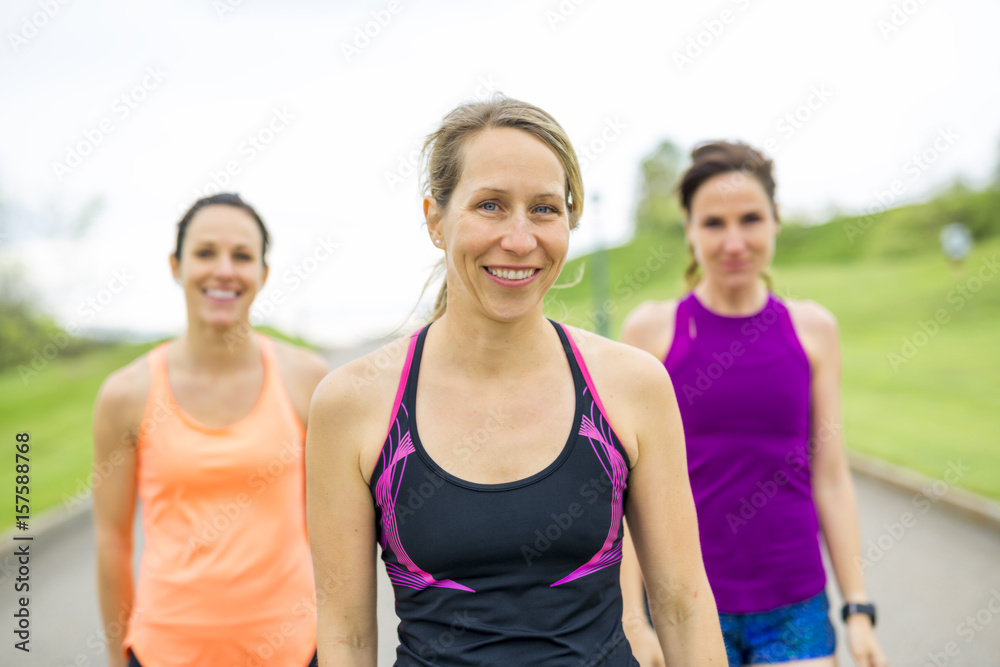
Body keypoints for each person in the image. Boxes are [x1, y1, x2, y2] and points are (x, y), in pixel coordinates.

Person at [305, 96, 727, 666]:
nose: (521, 239)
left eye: (545, 209)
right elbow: (347, 636)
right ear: (435, 218)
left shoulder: (633, 385)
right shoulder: (353, 404)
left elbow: (681, 604)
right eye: (491, 205)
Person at [619, 141, 888, 667]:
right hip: (684, 603)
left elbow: (831, 476)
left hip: (794, 607)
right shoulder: (652, 332)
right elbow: (630, 492)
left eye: (751, 219)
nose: (734, 241)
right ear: (689, 230)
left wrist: (858, 610)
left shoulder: (812, 330)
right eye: (714, 223)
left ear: (776, 222)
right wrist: (633, 617)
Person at [92, 193, 329, 666]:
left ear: (262, 274)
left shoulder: (308, 380)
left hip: (293, 651)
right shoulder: (125, 395)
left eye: (242, 256)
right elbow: (111, 540)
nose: (224, 270)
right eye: (205, 253)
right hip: (163, 652)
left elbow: (339, 536)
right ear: (176, 266)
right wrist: (118, 658)